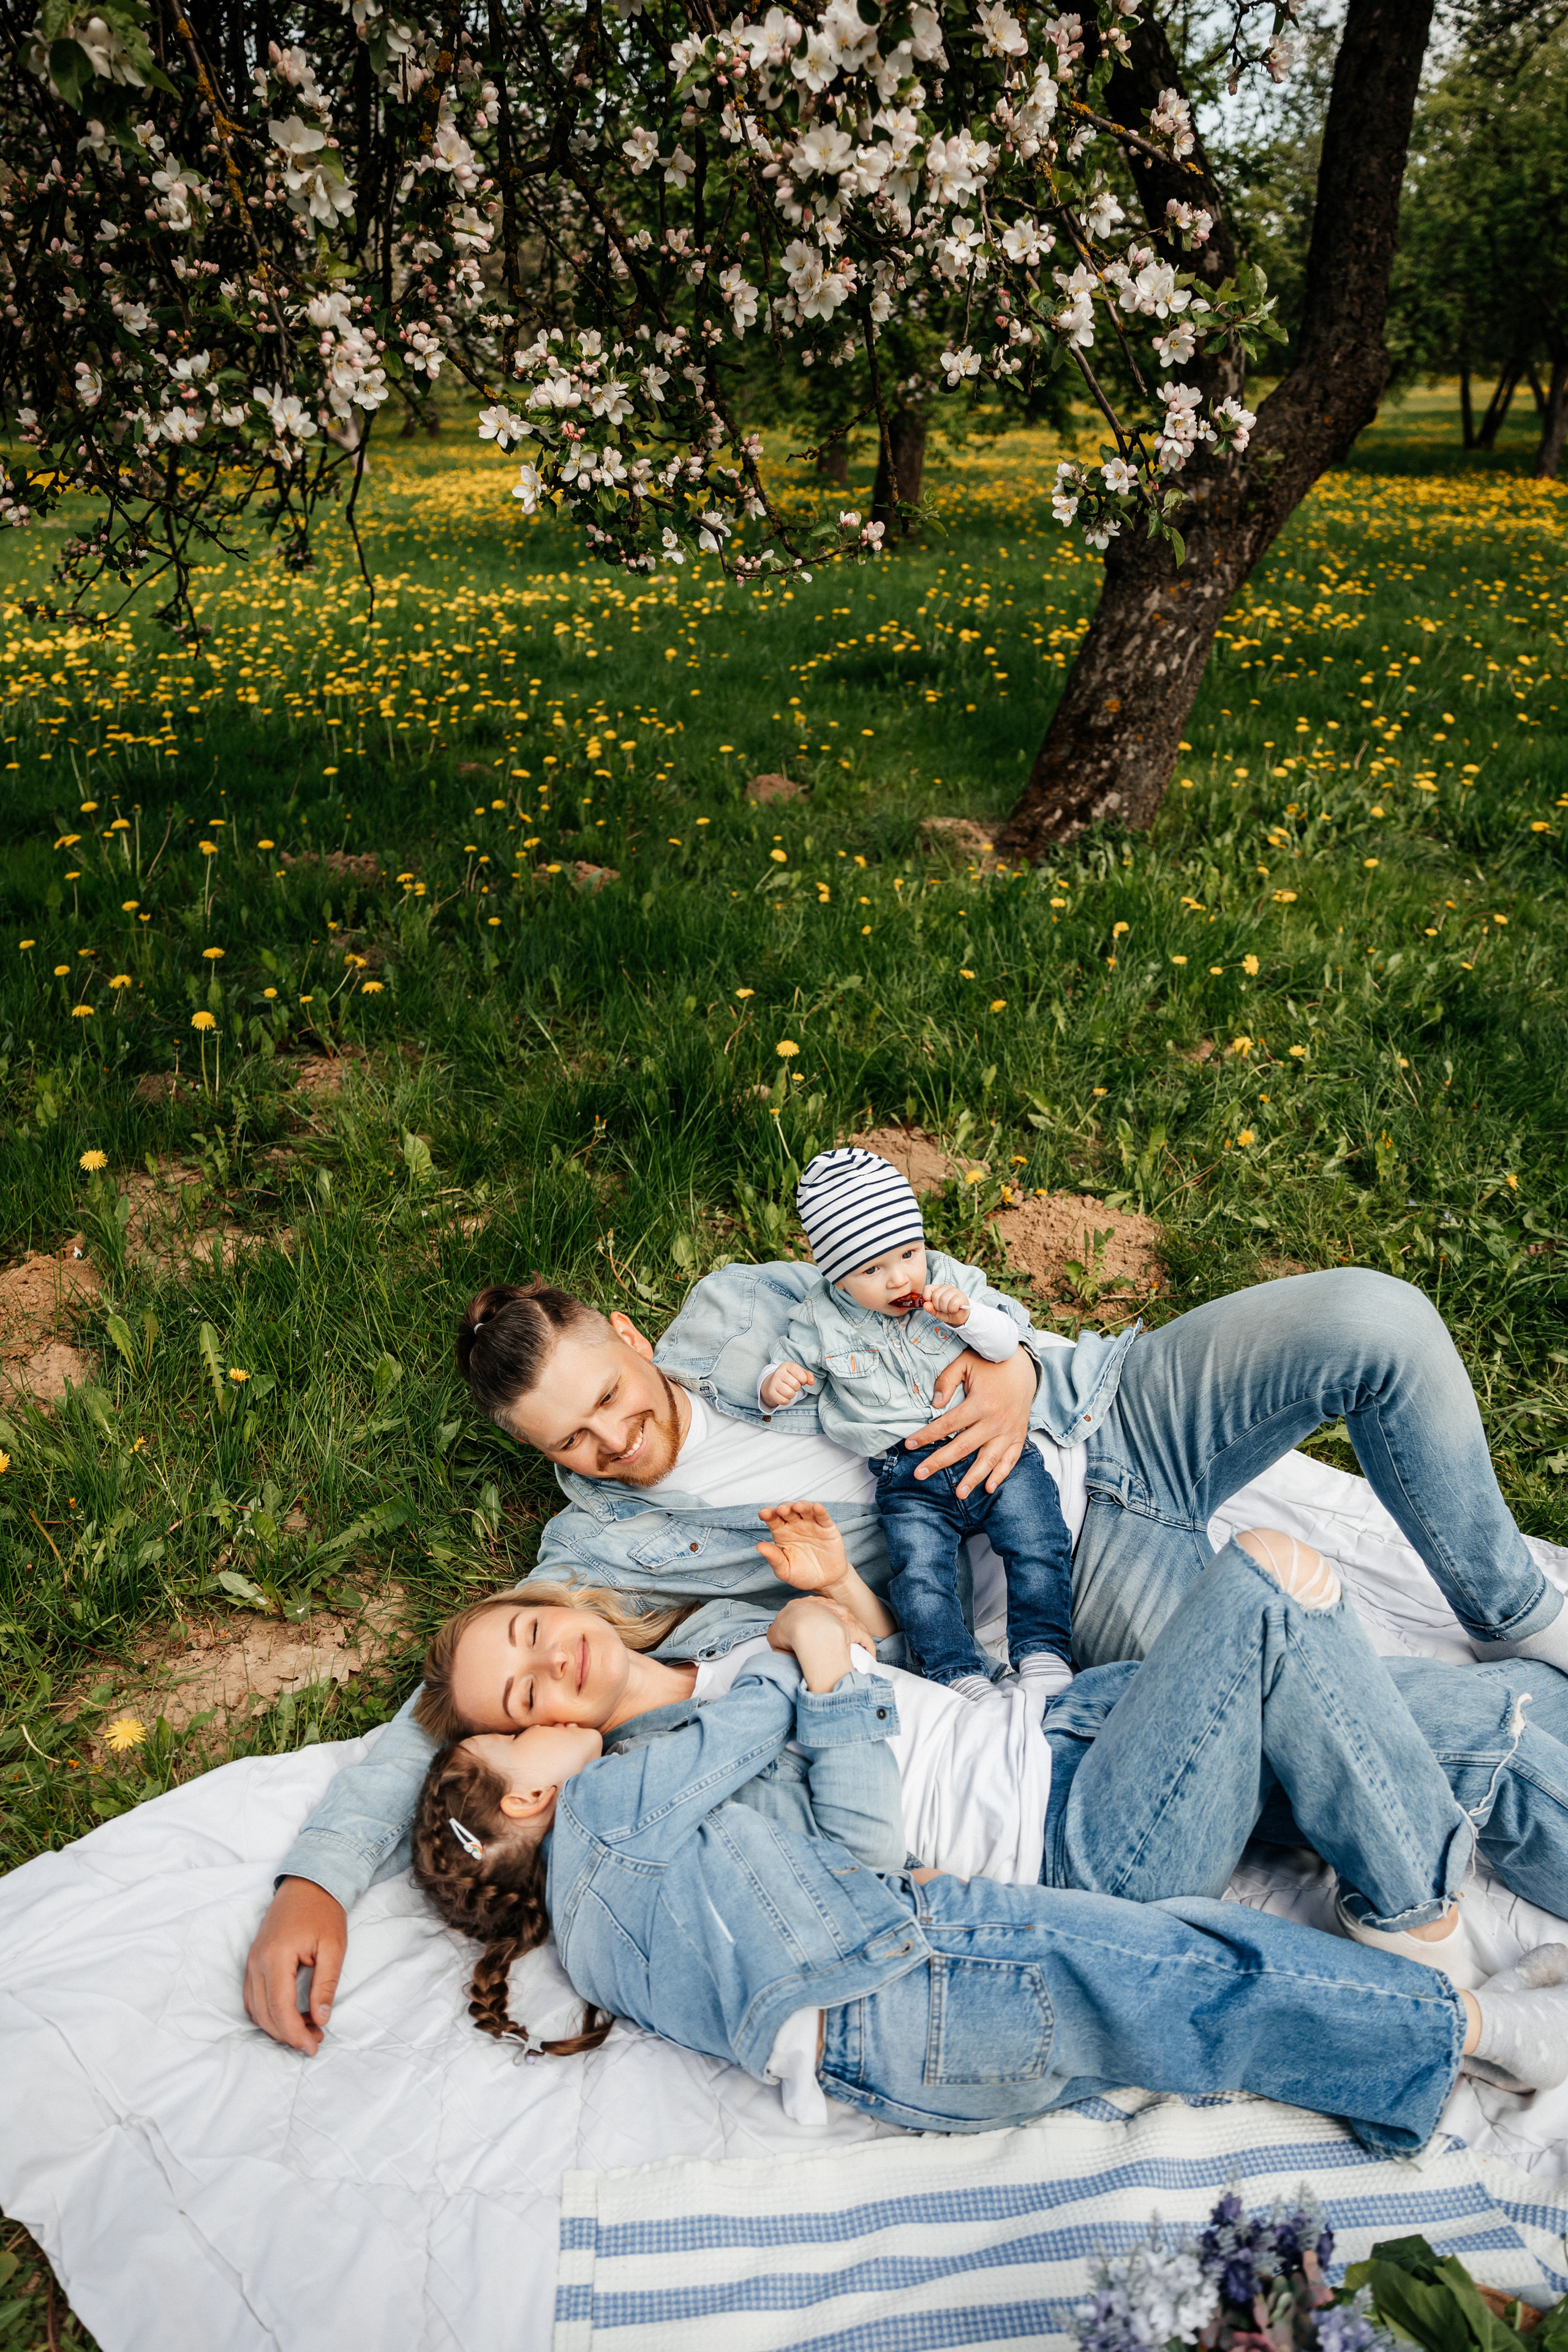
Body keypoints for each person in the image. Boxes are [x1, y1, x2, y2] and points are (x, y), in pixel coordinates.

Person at [244, 1243, 1568, 2048]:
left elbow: (912, 1294)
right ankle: (1469, 1861)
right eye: (568, 1443)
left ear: (632, 1339)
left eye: (605, 1396)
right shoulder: (600, 1570)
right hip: (1060, 1565)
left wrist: (1017, 1372)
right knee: (1339, 1706)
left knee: (1374, 1323)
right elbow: (449, 1714)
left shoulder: (736, 1310)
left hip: (1094, 1415)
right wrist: (314, 1880)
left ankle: (1523, 1614)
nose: (608, 1441)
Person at [407, 1589, 1568, 2152]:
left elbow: (865, 1703)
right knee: (1267, 1617)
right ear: (527, 1785)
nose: (548, 1669)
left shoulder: (708, 1645)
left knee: (1464, 1727)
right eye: (520, 1708)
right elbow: (853, 1846)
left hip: (1053, 1745)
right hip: (1001, 1895)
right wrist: (807, 1662)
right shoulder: (648, 1788)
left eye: (526, 1632)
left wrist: (824, 1613)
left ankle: (1436, 1932)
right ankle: (1429, 1942)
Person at [757, 1145, 1074, 1713]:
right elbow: (784, 1363)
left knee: (1037, 1538)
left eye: (909, 1252)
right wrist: (774, 1382)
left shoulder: (952, 1280)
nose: (900, 1277)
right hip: (907, 1474)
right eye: (872, 1270)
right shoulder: (819, 1320)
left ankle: (1044, 1652)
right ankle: (955, 1669)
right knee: (921, 1576)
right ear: (837, 1276)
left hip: (992, 1447)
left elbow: (1008, 1344)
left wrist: (968, 1318)